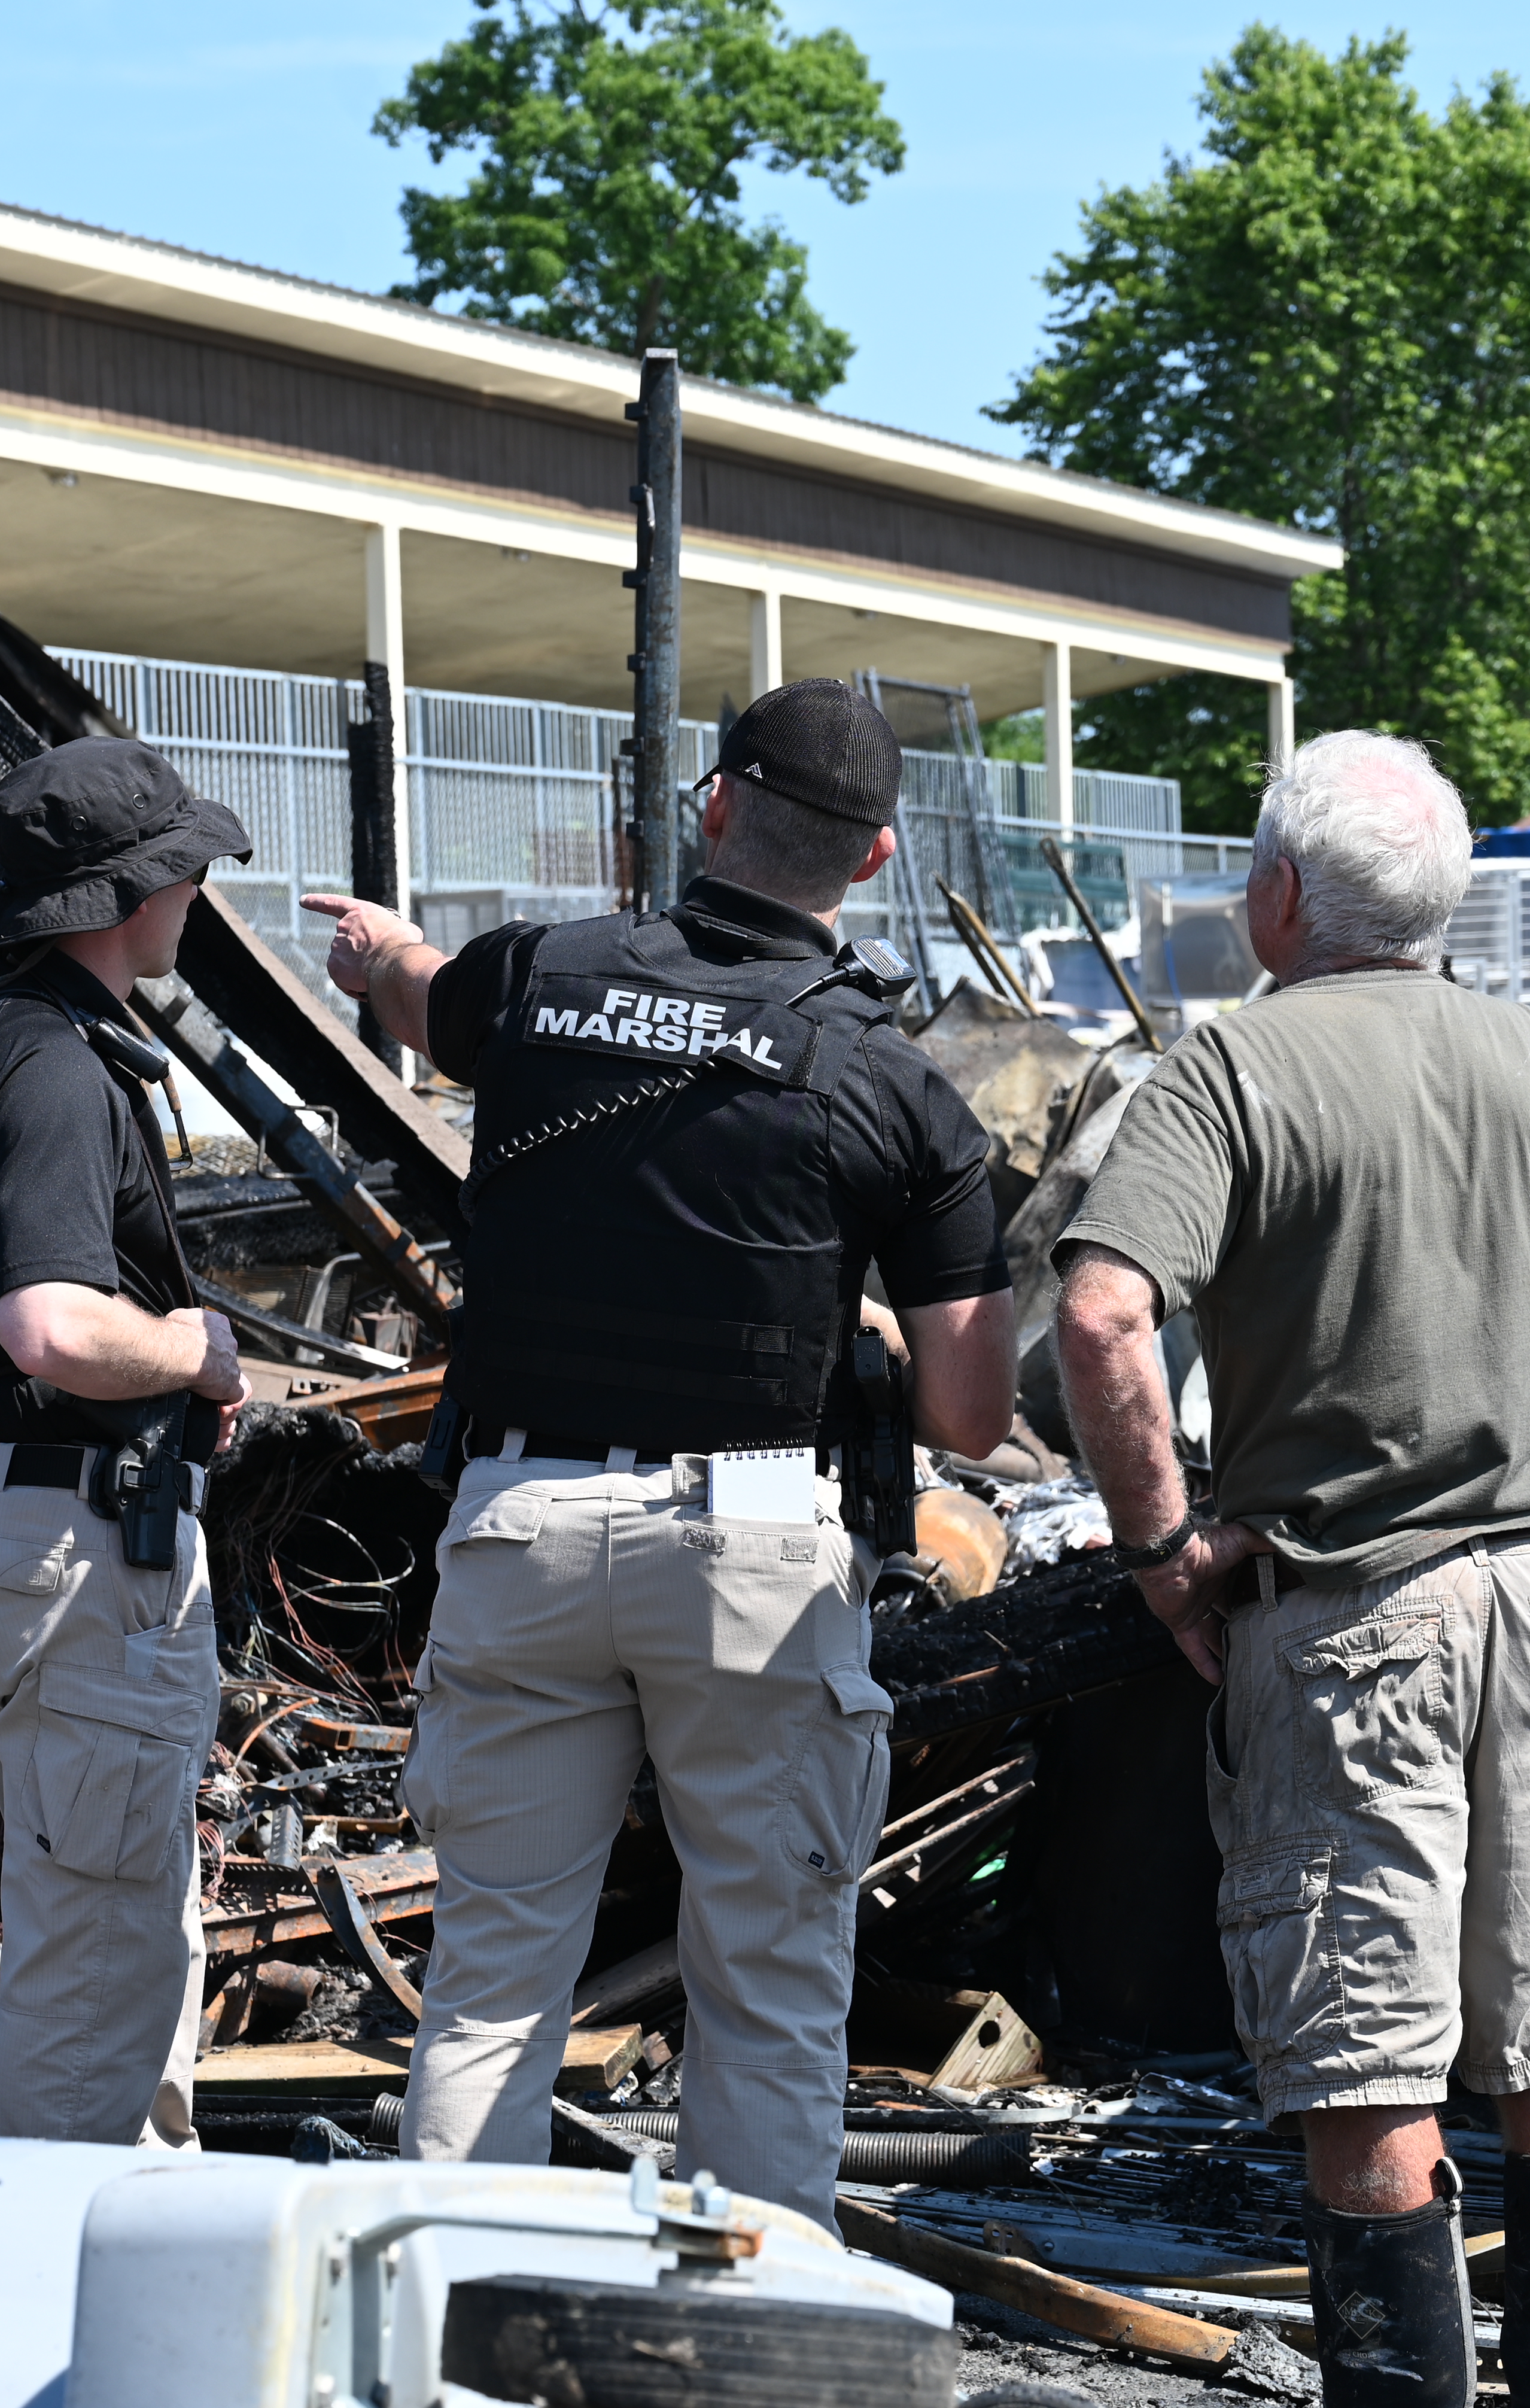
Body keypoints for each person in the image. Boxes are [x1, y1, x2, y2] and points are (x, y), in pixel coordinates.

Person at [1053, 731, 1530, 2408]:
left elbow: (1103, 1311)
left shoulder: (1230, 1075)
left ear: (1276, 898)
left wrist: (1169, 1555)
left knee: (1364, 2054)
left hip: (1348, 1627)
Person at [299, 676, 1018, 2227]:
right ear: (879, 860)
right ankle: (752, 2348)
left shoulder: (543, 978)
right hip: (755, 1557)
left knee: (491, 1978)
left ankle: (446, 2331)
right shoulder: (901, 1089)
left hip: (525, 1522)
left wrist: (373, 953)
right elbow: (972, 1414)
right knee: (764, 1980)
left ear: (711, 808)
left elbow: (422, 993)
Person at [0, 736, 258, 2150]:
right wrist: (196, 1349)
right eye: (185, 869)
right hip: (80, 1539)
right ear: (129, 894)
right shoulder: (54, 1062)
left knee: (108, 1926)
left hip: (22, 1529)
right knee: (97, 1963)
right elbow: (47, 1321)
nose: (199, 891)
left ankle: (121, 2248)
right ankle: (63, 2292)